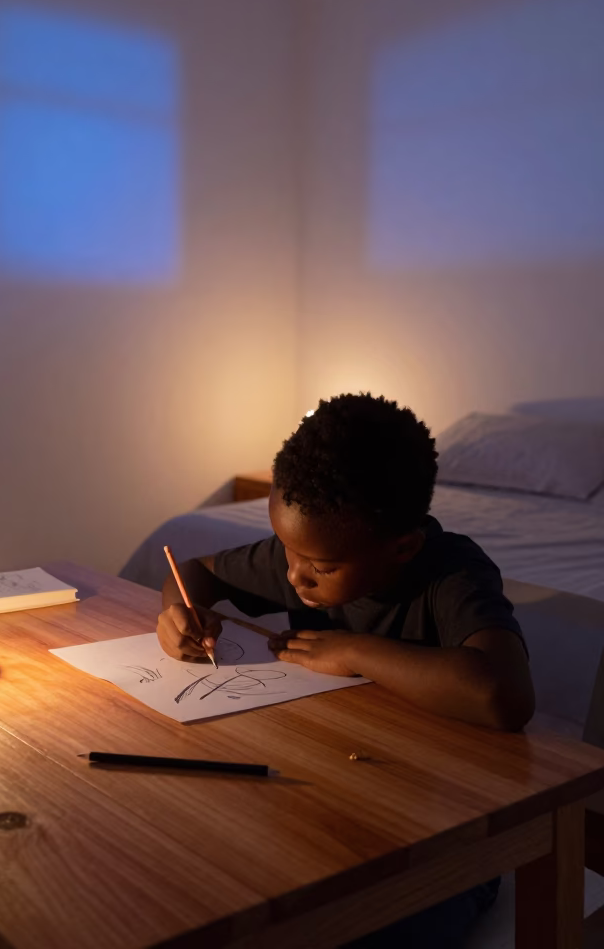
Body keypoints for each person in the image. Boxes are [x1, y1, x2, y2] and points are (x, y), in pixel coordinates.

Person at [157, 393, 535, 948]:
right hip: (335, 806)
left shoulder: (452, 573)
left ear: (402, 547)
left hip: (448, 839)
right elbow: (194, 573)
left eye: (320, 568)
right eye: (286, 551)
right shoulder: (309, 550)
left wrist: (355, 652)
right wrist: (181, 612)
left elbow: (503, 695)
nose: (295, 577)